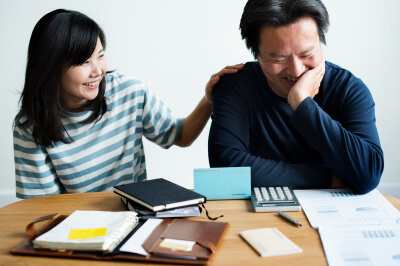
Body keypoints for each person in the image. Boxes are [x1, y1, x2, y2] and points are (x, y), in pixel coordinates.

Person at [13, 9, 243, 199]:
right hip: (75, 226)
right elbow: (41, 208)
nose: (97, 70)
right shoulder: (30, 126)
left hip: (133, 216)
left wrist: (208, 100)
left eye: (100, 55)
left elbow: (179, 135)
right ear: (51, 67)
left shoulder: (129, 92)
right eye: (84, 61)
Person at [208, 0, 384, 194]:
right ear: (256, 54)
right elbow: (225, 170)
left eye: (307, 54)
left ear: (321, 43)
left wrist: (302, 103)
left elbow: (368, 174)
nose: (296, 70)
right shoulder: (234, 86)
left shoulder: (348, 89)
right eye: (278, 59)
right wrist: (327, 178)